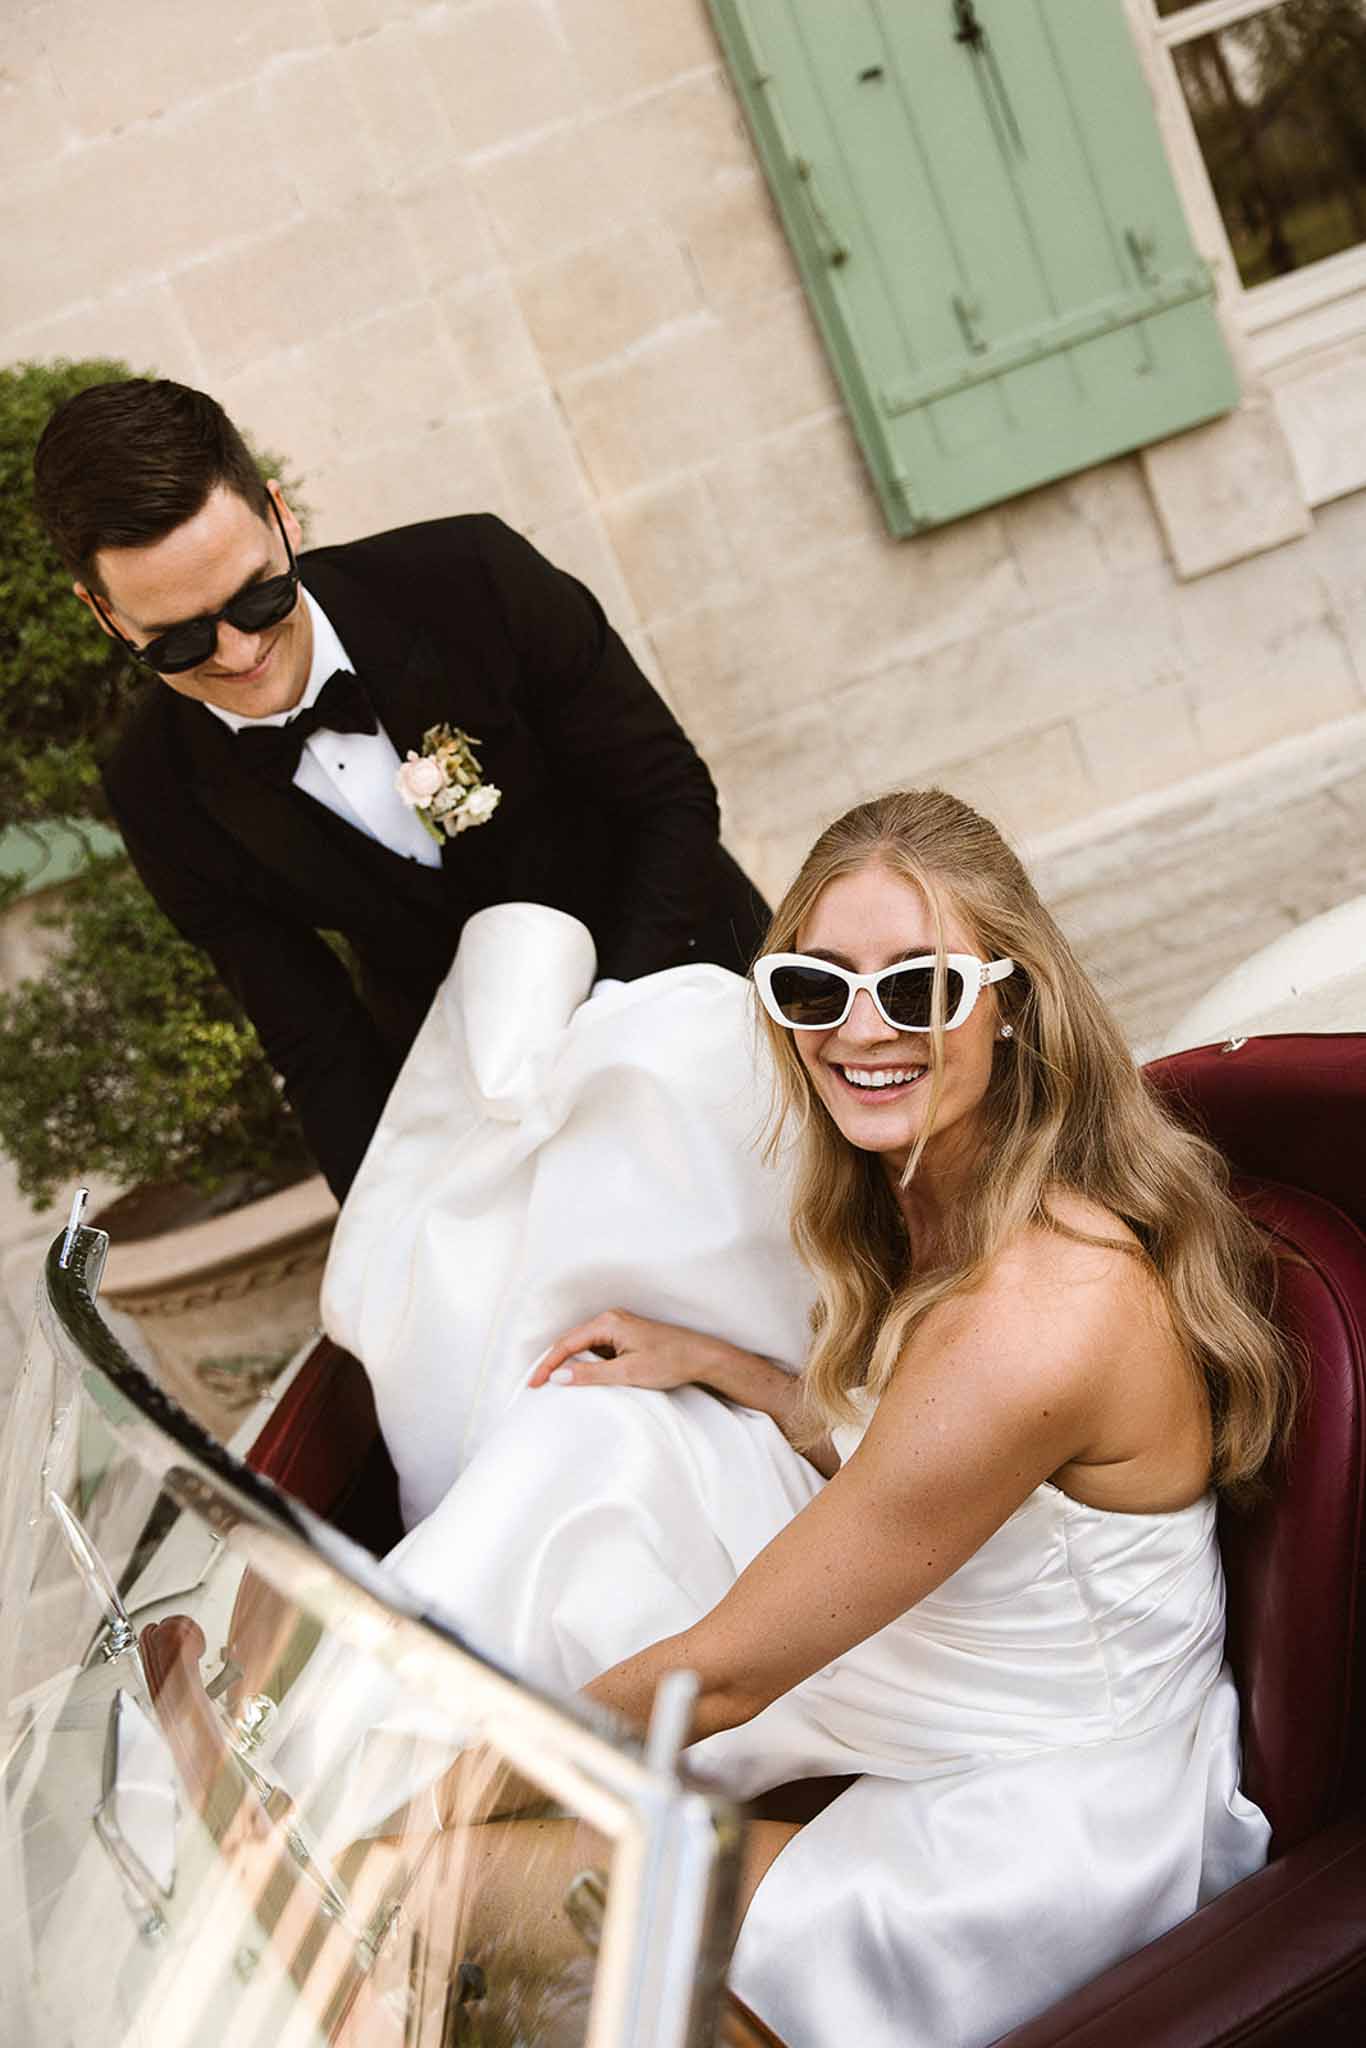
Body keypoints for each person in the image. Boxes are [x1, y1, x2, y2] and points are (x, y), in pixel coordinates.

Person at [309, 788, 1294, 2046]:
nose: (861, 1029)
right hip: (968, 1663)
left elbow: (719, 1677)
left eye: (918, 987)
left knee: (416, 1884)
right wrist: (734, 1370)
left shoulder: (1035, 1308)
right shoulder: (942, 1191)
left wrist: (448, 1791)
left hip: (1043, 1810)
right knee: (605, 1445)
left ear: (1012, 1000)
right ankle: (337, 1759)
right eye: (816, 989)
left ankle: (331, 1829)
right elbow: (926, 1455)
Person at [31, 378, 768, 1199]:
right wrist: (384, 1231)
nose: (238, 654)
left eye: (258, 596)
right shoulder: (156, 790)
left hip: (690, 973)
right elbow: (315, 1042)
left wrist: (610, 1024)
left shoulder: (473, 575)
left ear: (281, 516)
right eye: (178, 641)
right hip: (483, 1104)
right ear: (105, 615)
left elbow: (669, 796)